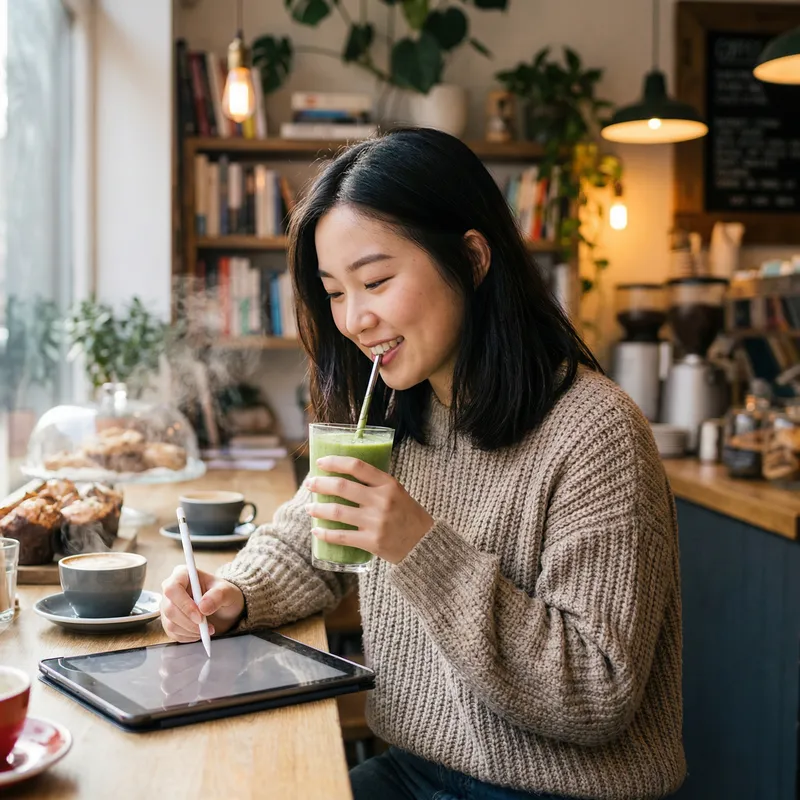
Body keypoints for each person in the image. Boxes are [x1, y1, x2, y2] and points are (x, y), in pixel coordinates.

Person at [162, 128, 685, 800]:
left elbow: (595, 689)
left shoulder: (596, 432)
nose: (354, 319)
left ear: (471, 259)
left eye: (376, 281)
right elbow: (311, 539)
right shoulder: (399, 409)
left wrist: (419, 546)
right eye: (335, 292)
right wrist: (232, 595)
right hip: (413, 771)